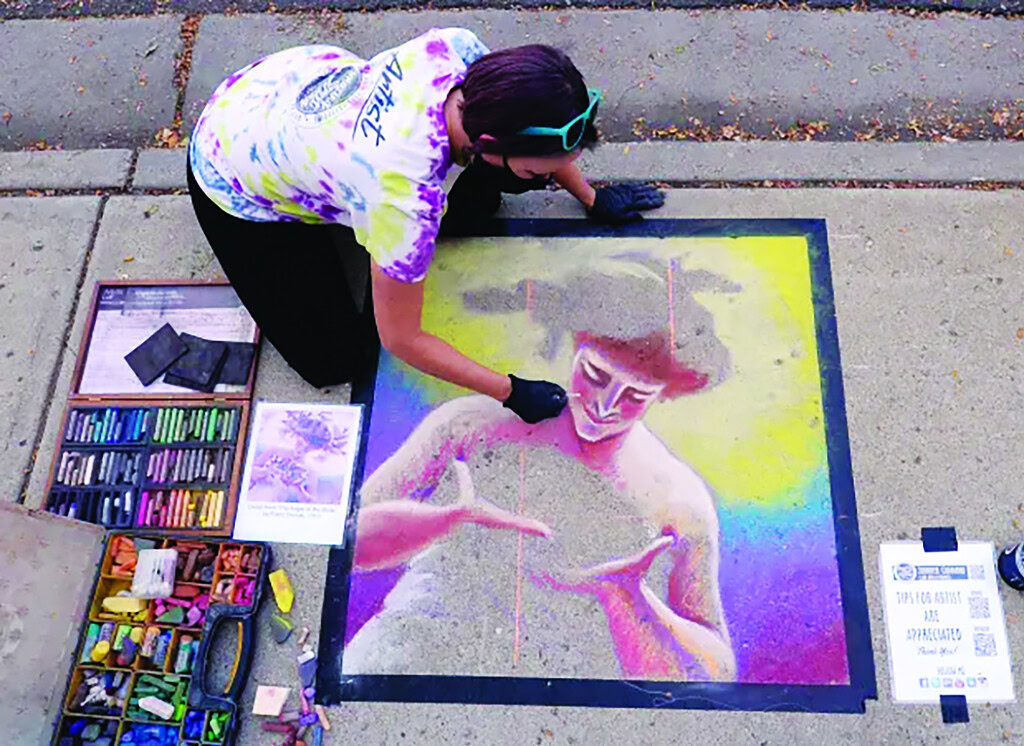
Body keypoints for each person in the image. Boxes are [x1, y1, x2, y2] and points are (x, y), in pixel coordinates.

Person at [187, 29, 665, 424]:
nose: (548, 180)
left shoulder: (460, 53)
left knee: (486, 198)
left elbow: (541, 137)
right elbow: (402, 339)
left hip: (286, 90)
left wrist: (590, 195)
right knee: (335, 359)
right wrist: (510, 391)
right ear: (489, 140)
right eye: (539, 172)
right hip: (233, 167)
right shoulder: (405, 199)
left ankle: (347, 190)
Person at [344, 259, 739, 681]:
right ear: (574, 346)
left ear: (663, 395)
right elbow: (347, 542)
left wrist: (631, 598)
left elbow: (719, 670)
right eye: (595, 374)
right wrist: (446, 520)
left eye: (635, 396)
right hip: (411, 651)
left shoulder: (677, 499)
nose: (605, 407)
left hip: (565, 679)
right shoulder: (472, 423)